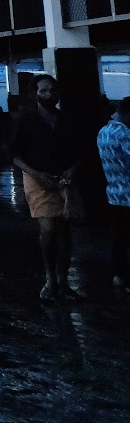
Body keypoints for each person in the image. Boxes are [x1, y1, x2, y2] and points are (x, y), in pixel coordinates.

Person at [11, 74, 90, 303]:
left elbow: (80, 153)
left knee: (64, 233)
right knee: (48, 228)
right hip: (37, 180)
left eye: (52, 90)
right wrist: (36, 174)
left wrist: (73, 170)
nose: (49, 95)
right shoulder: (25, 121)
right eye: (44, 90)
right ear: (34, 93)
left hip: (64, 181)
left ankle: (62, 282)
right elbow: (14, 155)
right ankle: (49, 279)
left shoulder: (66, 120)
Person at [97, 96, 130, 290]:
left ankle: (119, 275)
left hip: (113, 194)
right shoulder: (124, 133)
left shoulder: (104, 131)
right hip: (128, 196)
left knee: (118, 237)